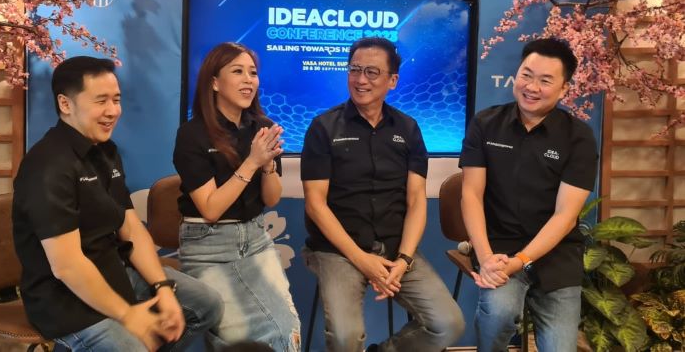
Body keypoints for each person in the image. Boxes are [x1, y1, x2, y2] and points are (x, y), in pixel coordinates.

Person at [12, 56, 223, 352]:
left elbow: (131, 228)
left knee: (206, 305)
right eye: (101, 101)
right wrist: (128, 315)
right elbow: (68, 267)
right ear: (65, 104)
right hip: (63, 298)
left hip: (115, 273)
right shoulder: (47, 166)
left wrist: (162, 287)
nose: (112, 111)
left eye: (116, 99)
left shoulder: (106, 151)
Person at [301, 37, 465, 352]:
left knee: (448, 324)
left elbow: (416, 200)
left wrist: (403, 259)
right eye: (354, 70)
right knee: (346, 337)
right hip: (339, 251)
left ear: (392, 80)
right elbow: (315, 205)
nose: (361, 80)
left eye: (372, 72)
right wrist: (361, 259)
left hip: (394, 250)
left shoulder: (408, 129)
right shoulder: (323, 128)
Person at [459, 38, 599, 352]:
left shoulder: (579, 137)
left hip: (557, 255)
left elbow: (565, 216)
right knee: (498, 314)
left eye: (545, 81)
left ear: (564, 89)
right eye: (526, 75)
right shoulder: (486, 124)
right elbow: (470, 194)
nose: (532, 87)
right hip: (498, 248)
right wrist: (486, 258)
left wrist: (521, 261)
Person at [172, 42, 300, 351]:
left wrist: (267, 165)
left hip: (256, 239)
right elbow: (211, 209)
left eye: (253, 73)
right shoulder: (192, 134)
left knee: (287, 332)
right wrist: (252, 162)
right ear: (215, 82)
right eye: (238, 72)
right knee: (243, 339)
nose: (248, 80)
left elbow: (272, 199)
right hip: (208, 245)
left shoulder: (263, 128)